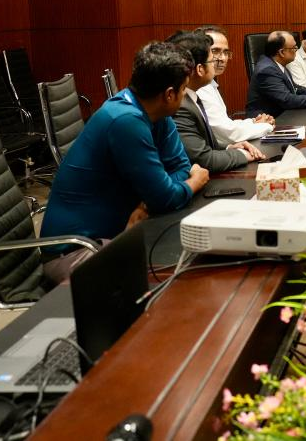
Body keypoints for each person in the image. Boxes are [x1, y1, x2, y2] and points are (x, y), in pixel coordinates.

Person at [39, 42, 209, 283]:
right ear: (169, 94)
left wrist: (149, 202)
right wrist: (194, 182)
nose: (183, 97)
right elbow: (168, 195)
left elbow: (179, 166)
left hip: (115, 236)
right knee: (173, 283)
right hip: (77, 251)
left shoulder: (156, 113)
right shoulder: (125, 121)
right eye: (183, 90)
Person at [167, 30, 266, 173]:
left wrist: (228, 148)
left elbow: (202, 142)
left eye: (225, 52)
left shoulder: (191, 95)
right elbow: (202, 159)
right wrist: (242, 155)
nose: (219, 60)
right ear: (200, 69)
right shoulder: (181, 104)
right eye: (212, 58)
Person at [196, 25, 274, 144]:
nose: (223, 58)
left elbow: (225, 124)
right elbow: (228, 134)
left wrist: (253, 122)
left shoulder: (210, 83)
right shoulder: (200, 86)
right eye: (215, 51)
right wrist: (266, 126)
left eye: (226, 52)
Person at [246, 31, 306, 118]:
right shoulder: (267, 70)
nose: (296, 50)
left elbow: (295, 89)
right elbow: (286, 99)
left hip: (285, 115)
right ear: (282, 52)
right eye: (294, 48)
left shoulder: (278, 64)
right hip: (266, 121)